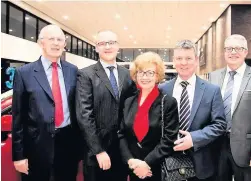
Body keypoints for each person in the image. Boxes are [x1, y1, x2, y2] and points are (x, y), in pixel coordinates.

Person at [12, 24, 80, 181]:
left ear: (64, 44)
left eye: (60, 39)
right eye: (51, 39)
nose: (56, 43)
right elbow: (18, 117)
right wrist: (19, 156)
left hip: (68, 144)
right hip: (36, 146)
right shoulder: (24, 73)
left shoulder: (73, 70)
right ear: (41, 43)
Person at [209, 34, 251, 181]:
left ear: (246, 52)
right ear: (224, 52)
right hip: (217, 147)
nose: (233, 52)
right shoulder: (213, 77)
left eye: (238, 48)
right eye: (229, 48)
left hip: (246, 149)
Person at [159, 40, 226, 181]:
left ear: (196, 60)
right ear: (173, 61)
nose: (184, 63)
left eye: (188, 58)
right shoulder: (162, 89)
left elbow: (219, 125)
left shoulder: (211, 90)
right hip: (167, 162)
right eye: (179, 58)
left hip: (201, 164)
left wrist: (194, 139)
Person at [75, 30, 136, 181]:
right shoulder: (85, 74)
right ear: (96, 47)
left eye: (111, 43)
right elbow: (84, 115)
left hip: (122, 151)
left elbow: (133, 110)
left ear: (118, 46)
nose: (107, 46)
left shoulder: (128, 75)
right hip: (97, 152)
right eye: (102, 43)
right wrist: (98, 150)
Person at [118, 52, 179, 181]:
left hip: (157, 167)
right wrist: (130, 160)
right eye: (141, 72)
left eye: (150, 72)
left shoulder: (168, 102)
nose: (145, 77)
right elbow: (121, 133)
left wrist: (146, 163)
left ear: (158, 76)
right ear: (136, 75)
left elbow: (169, 139)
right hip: (134, 167)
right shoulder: (129, 101)